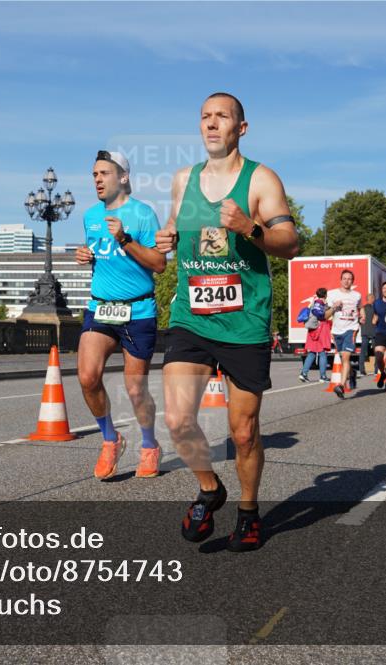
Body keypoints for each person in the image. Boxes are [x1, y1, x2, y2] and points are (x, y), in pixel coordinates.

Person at [155, 92, 300, 552]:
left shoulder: (261, 179)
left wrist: (250, 228)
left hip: (244, 323)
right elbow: (176, 227)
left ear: (242, 127)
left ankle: (249, 511)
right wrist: (167, 237)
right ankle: (210, 488)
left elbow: (290, 241)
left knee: (243, 431)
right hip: (191, 317)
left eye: (222, 116)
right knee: (178, 421)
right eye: (205, 116)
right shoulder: (184, 180)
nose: (212, 123)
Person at [75, 150, 166, 480]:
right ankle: (111, 440)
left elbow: (159, 264)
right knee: (87, 376)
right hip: (100, 307)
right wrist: (86, 255)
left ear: (123, 177)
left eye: (104, 173)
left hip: (138, 310)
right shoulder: (90, 216)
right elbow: (101, 257)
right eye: (94, 174)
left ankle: (149, 444)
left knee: (135, 389)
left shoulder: (142, 214)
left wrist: (124, 238)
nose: (97, 180)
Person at [327, 270, 364, 398]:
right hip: (337, 331)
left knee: (346, 357)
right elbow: (325, 316)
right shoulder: (332, 294)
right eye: (344, 278)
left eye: (349, 279)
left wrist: (362, 316)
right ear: (340, 280)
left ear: (352, 281)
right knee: (343, 359)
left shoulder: (357, 295)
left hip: (351, 329)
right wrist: (333, 308)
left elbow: (361, 308)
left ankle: (341, 385)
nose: (347, 281)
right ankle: (352, 373)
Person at [299, 288, 331, 383]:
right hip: (321, 329)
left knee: (312, 352)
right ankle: (323, 376)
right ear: (325, 295)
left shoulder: (313, 304)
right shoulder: (322, 305)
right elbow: (324, 316)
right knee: (322, 353)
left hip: (312, 330)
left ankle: (303, 373)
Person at [358, 295, 374, 377]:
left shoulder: (362, 309)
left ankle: (362, 370)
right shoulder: (375, 308)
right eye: (372, 298)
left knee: (363, 352)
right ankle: (377, 369)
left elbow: (359, 320)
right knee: (377, 352)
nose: (373, 300)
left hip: (364, 332)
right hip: (374, 332)